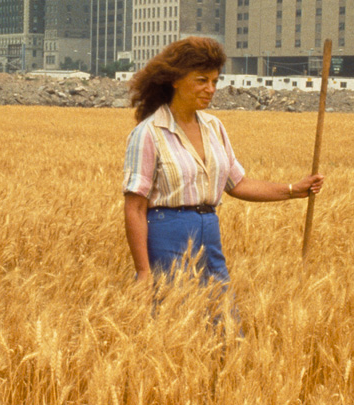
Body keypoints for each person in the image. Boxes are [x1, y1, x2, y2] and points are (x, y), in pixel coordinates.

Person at [122, 37, 324, 314]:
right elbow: (134, 207)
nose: (210, 89)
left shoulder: (214, 128)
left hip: (209, 230)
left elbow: (238, 183)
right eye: (202, 80)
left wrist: (293, 190)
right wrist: (143, 272)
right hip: (167, 232)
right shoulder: (148, 133)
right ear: (176, 80)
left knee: (224, 321)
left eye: (215, 81)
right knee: (172, 319)